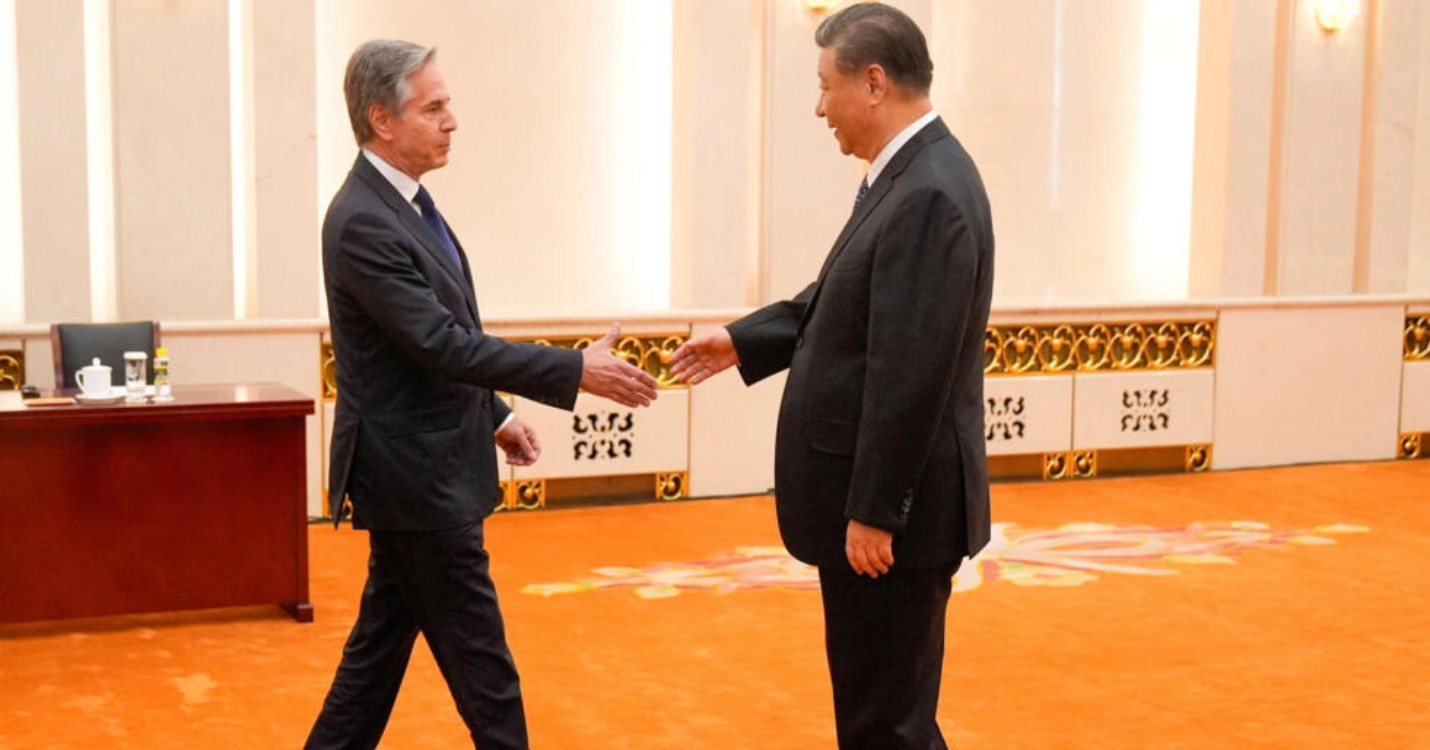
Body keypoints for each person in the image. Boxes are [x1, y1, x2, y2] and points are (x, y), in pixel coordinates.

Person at [306, 39, 658, 750]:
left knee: (374, 664)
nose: (452, 121)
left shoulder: (402, 201)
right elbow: (438, 343)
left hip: (422, 469)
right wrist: (569, 370)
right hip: (418, 482)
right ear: (381, 120)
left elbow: (434, 343)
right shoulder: (365, 219)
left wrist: (494, 414)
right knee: (486, 675)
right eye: (433, 108)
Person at [669, 4, 994, 749]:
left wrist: (877, 510)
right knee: (881, 716)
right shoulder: (910, 177)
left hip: (891, 526)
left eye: (825, 86)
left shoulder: (929, 192)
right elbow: (844, 301)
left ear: (874, 83)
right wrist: (744, 341)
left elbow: (908, 371)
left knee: (886, 725)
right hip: (885, 514)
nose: (819, 108)